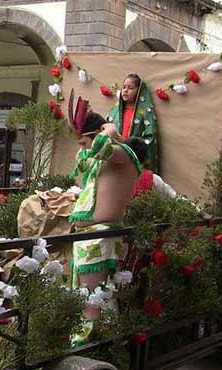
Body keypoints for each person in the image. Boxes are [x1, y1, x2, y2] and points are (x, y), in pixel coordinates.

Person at [67, 92, 141, 346]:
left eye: (83, 142)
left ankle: (85, 346)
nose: (83, 149)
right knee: (87, 296)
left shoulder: (122, 153)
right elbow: (84, 161)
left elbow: (98, 147)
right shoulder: (102, 158)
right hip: (91, 235)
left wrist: (108, 130)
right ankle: (98, 344)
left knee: (91, 299)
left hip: (102, 233)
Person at [107, 73, 160, 171]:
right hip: (115, 158)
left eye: (130, 88)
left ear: (139, 91)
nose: (125, 90)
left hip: (134, 162)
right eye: (124, 87)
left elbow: (150, 137)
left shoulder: (145, 112)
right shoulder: (114, 111)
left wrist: (127, 142)